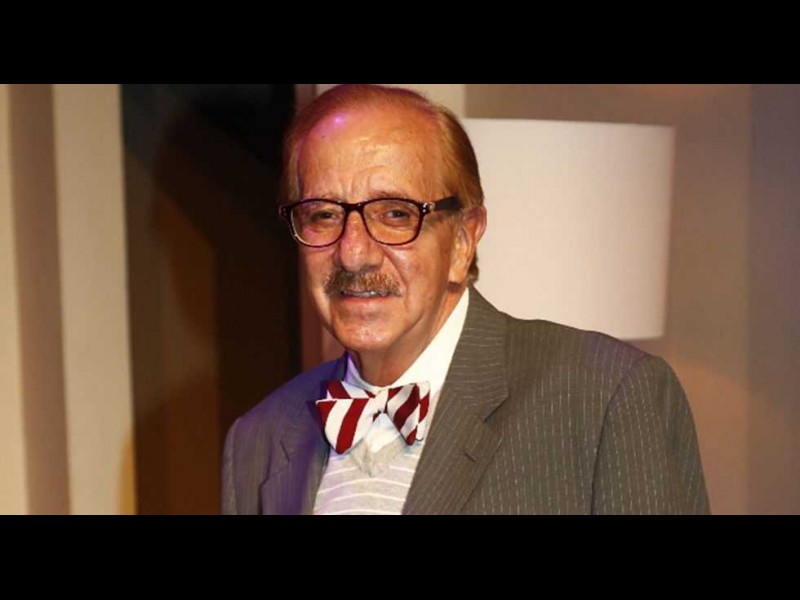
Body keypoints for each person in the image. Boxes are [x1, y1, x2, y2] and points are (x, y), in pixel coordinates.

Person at [221, 84, 710, 515]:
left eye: (395, 214)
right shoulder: (258, 438)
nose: (353, 253)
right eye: (323, 215)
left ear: (462, 240)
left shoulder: (606, 397)